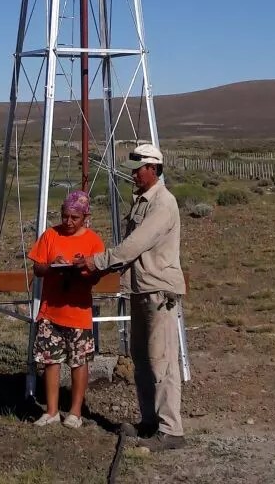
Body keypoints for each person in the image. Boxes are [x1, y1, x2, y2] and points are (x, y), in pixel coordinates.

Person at [75, 143, 186, 451]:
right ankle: (150, 422)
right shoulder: (142, 202)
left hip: (159, 291)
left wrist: (98, 262)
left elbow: (135, 244)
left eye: (138, 170)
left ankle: (171, 430)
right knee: (142, 359)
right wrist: (101, 268)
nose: (134, 175)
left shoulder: (163, 203)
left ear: (153, 168)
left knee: (161, 362)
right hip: (140, 288)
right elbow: (129, 249)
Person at [28, 190, 105, 428]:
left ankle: (75, 412)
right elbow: (38, 268)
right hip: (51, 311)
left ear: (85, 217)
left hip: (78, 312)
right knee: (51, 360)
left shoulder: (93, 240)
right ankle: (51, 411)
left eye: (74, 217)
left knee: (79, 361)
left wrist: (83, 269)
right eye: (65, 216)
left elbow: (96, 276)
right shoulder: (50, 235)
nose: (68, 222)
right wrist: (53, 266)